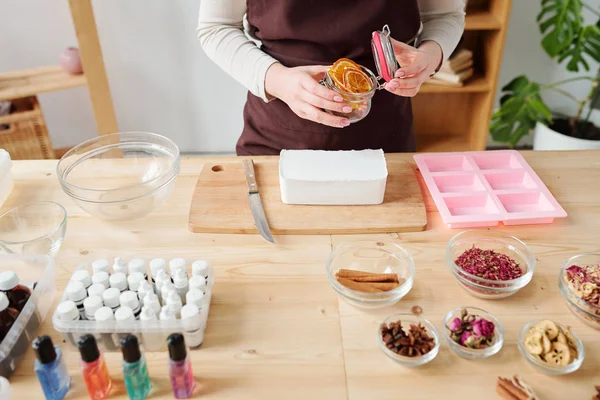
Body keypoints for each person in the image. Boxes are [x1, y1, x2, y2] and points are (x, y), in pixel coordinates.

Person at [198, 1, 465, 156]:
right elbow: (216, 28)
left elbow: (446, 15)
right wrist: (278, 80)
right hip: (278, 131)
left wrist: (429, 57)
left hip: (384, 130)